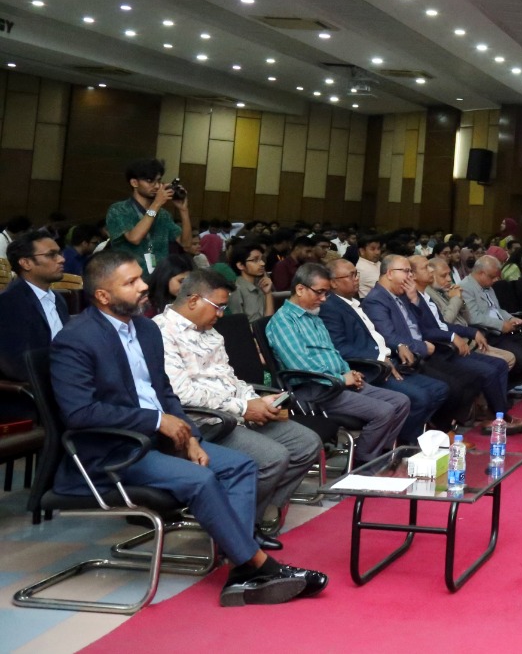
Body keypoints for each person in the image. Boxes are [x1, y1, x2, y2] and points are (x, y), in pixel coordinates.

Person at [52, 251, 324, 606]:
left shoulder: (145, 330)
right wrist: (156, 420)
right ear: (103, 295)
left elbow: (164, 392)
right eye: (131, 282)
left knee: (241, 465)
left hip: (162, 438)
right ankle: (258, 566)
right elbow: (80, 413)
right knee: (202, 479)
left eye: (141, 278)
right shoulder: (76, 338)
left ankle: (242, 568)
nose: (144, 286)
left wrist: (192, 437)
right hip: (114, 449)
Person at [155, 268, 320, 545]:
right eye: (218, 306)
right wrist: (243, 407)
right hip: (203, 422)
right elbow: (181, 394)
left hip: (234, 413)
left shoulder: (211, 333)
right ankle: (238, 532)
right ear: (193, 300)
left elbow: (230, 378)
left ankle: (248, 519)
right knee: (273, 457)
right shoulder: (161, 332)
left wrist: (255, 400)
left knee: (306, 444)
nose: (221, 314)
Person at [264, 263, 408, 465]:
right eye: (320, 292)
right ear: (300, 289)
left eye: (326, 293)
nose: (324, 299)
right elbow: (301, 366)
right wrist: (341, 379)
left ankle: (379, 455)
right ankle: (363, 465)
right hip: (315, 390)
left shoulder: (313, 316)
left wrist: (350, 372)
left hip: (337, 384)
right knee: (383, 412)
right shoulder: (283, 322)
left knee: (401, 401)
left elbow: (333, 353)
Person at [361, 255, 507, 429]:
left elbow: (419, 324)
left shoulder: (402, 293)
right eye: (406, 271)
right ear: (390, 273)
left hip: (423, 351)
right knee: (453, 386)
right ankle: (440, 429)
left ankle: (449, 425)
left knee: (470, 379)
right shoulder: (377, 299)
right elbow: (390, 337)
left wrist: (414, 300)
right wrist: (422, 346)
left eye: (410, 271)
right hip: (408, 357)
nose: (410, 276)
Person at [318, 260, 446, 444]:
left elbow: (379, 335)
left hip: (389, 360)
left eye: (356, 274)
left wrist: (398, 345)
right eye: (351, 275)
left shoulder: (354, 303)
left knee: (439, 389)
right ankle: (403, 443)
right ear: (333, 283)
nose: (356, 279)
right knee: (420, 398)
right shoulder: (330, 308)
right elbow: (340, 347)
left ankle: (405, 437)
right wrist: (378, 358)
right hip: (370, 369)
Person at [412, 255, 522, 376]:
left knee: (509, 359)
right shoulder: (428, 294)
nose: (449, 279)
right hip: (453, 345)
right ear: (432, 276)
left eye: (449, 274)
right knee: (502, 363)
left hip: (469, 338)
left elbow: (467, 319)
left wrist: (461, 300)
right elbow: (444, 322)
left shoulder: (443, 291)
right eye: (444, 276)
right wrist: (455, 299)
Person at [105, 159, 194, 276]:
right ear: (134, 183)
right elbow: (134, 238)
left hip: (158, 278)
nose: (157, 186)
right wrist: (156, 204)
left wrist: (183, 210)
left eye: (159, 181)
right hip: (129, 277)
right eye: (149, 181)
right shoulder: (119, 209)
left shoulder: (163, 215)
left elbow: (186, 245)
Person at [0, 230, 69, 381]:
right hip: (38, 387)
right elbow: (15, 365)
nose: (61, 259)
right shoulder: (8, 302)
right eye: (51, 255)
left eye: (59, 253)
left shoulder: (58, 299)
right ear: (26, 263)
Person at [225, 239, 276, 326]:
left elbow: (269, 321)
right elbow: (239, 326)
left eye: (262, 259)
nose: (262, 263)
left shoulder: (261, 284)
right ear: (240, 265)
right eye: (255, 260)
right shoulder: (236, 290)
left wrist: (268, 293)